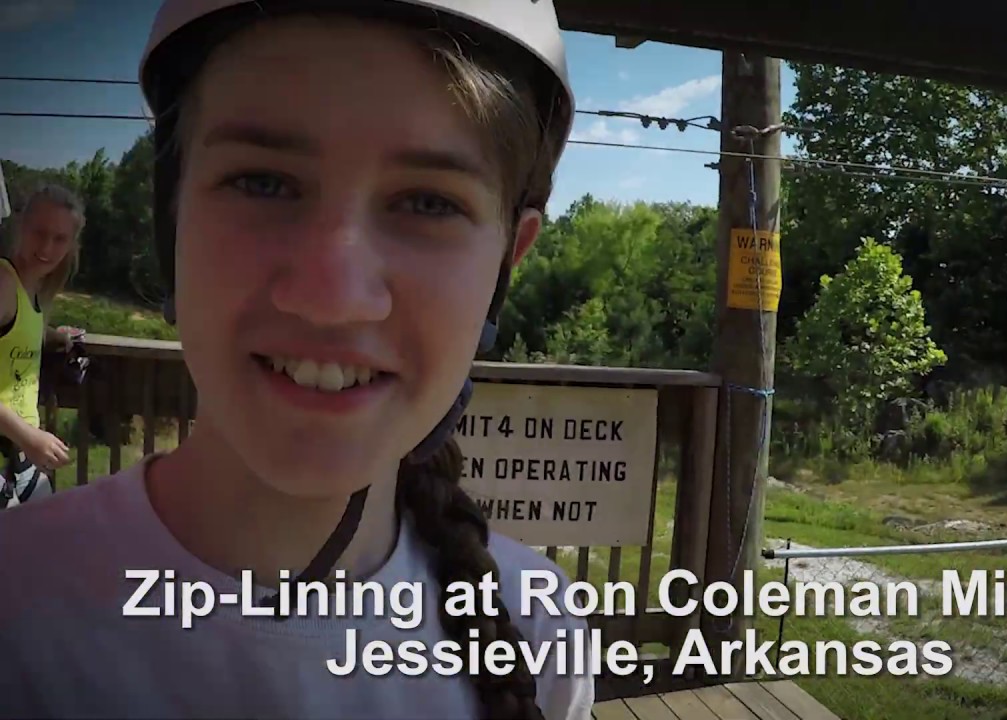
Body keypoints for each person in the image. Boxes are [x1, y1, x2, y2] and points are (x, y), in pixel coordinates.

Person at [0, 1, 592, 718]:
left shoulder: (538, 629)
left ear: (506, 265)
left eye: (428, 203)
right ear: (171, 229)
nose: (331, 297)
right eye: (263, 183)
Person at [0, 183, 81, 509]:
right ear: (22, 227)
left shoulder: (31, 289)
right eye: (39, 232)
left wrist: (53, 336)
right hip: (18, 441)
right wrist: (30, 437)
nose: (47, 246)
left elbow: (14, 328)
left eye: (60, 238)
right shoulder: (4, 283)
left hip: (18, 454)